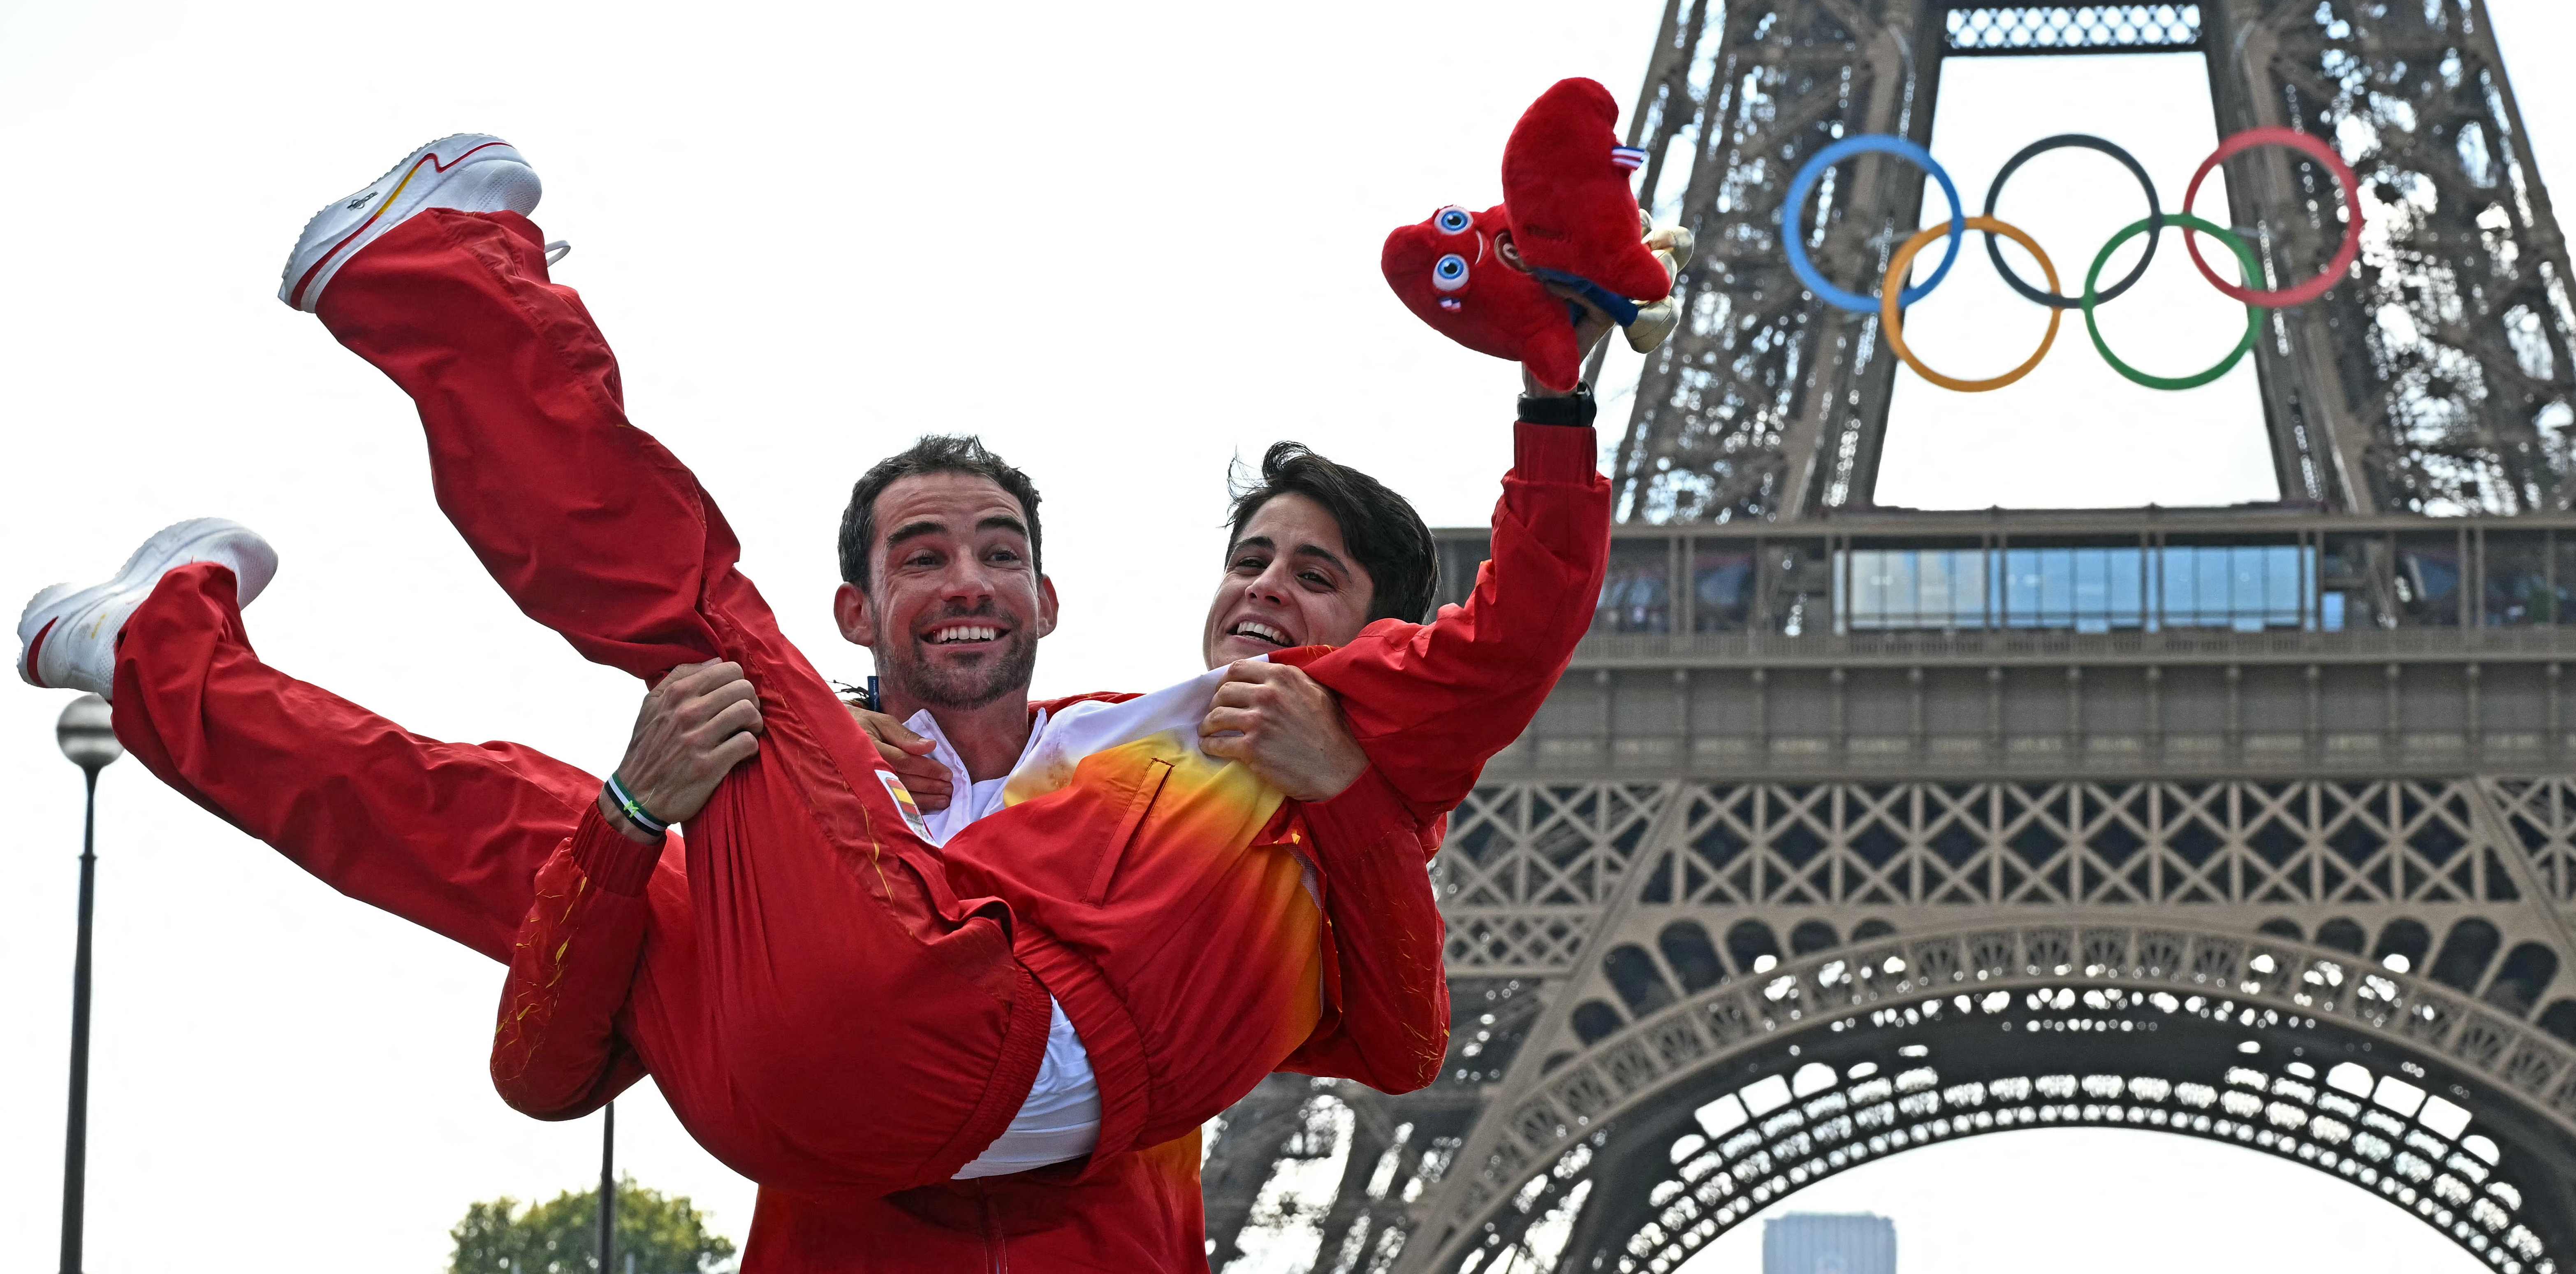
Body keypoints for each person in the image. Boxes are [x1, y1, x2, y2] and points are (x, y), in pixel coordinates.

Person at [21, 130, 1616, 1265]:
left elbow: (1408, 1028)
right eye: (923, 558)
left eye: (999, 552)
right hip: (831, 1050)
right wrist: (646, 815)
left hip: (956, 1060)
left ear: (1053, 601)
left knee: (698, 629)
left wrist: (1350, 779)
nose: (969, 582)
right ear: (860, 607)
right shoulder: (843, 774)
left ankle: (433, 290)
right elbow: (539, 1070)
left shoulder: (1238, 763)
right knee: (523, 807)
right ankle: (162, 652)